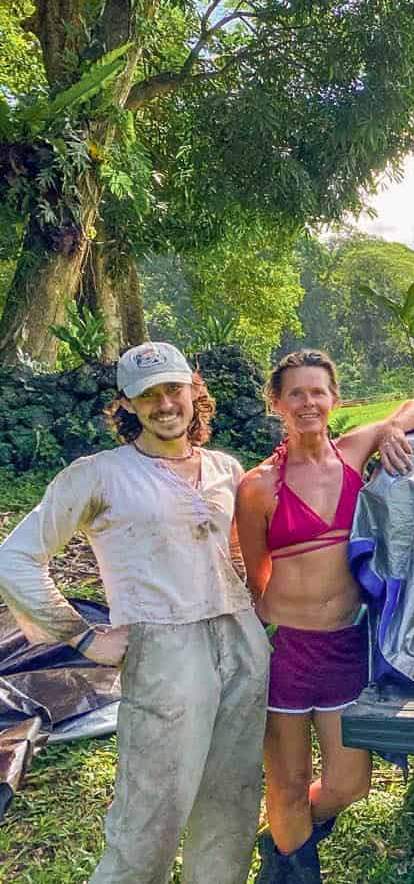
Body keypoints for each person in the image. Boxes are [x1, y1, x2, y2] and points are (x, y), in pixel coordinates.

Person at [0, 342, 268, 884]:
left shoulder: (225, 468)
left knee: (231, 798)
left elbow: (235, 551)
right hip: (163, 646)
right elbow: (16, 556)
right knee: (152, 808)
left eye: (173, 389)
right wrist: (81, 637)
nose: (164, 404)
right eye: (148, 395)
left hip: (239, 641)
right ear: (127, 404)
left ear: (195, 390)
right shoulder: (99, 475)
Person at [236, 349, 414, 881]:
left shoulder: (353, 452)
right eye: (295, 393)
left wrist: (393, 427)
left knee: (351, 783)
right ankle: (295, 865)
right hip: (285, 651)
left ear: (334, 399)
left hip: (345, 646)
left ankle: (279, 843)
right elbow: (254, 573)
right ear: (277, 403)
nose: (308, 403)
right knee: (288, 781)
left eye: (318, 392)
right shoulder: (258, 486)